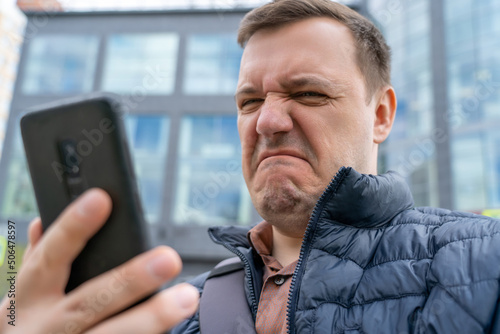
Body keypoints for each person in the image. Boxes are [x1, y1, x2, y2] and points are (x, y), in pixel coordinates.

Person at [1, 0, 499, 333]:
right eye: (249, 101)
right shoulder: (175, 313)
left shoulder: (485, 265)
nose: (268, 120)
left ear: (382, 114)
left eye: (308, 93)